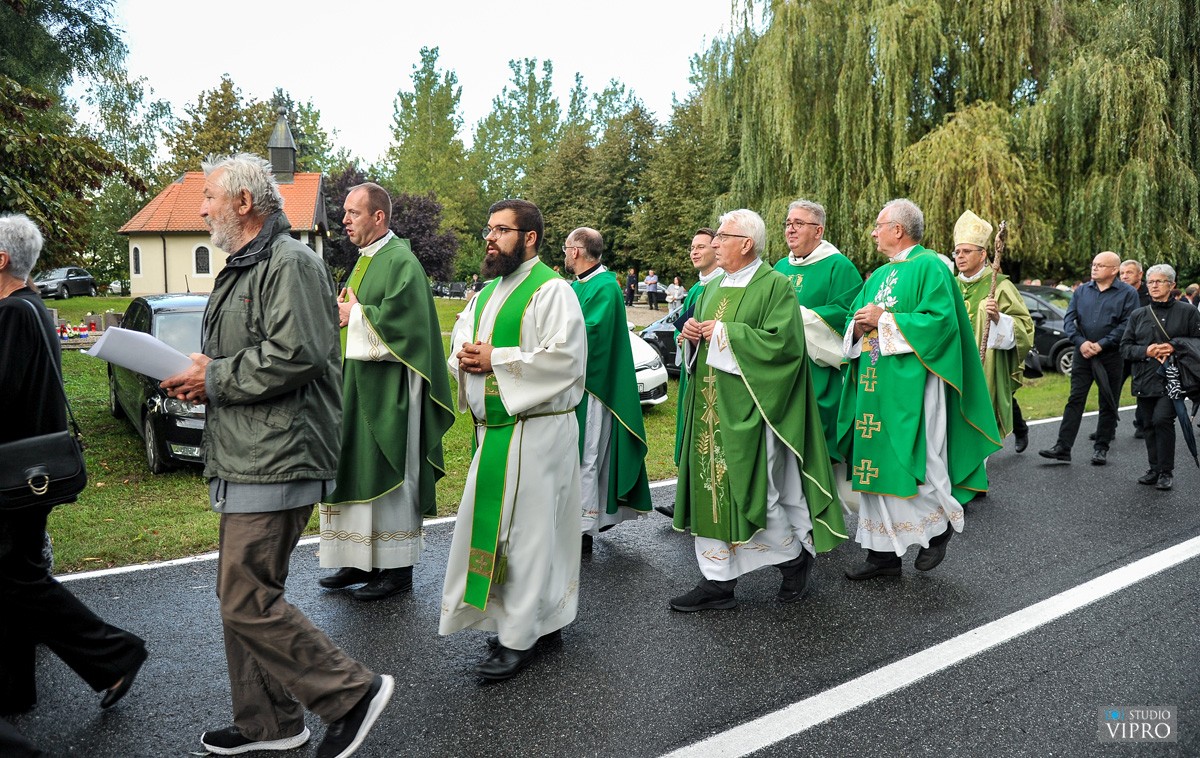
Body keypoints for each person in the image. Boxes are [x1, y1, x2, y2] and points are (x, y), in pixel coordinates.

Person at [160, 155, 392, 758]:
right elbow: (246, 351)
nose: (203, 207)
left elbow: (299, 354)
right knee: (245, 594)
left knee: (243, 596)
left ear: (244, 203)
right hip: (247, 450)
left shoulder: (290, 262)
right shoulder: (243, 265)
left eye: (210, 197)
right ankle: (270, 723)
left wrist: (212, 379)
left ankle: (351, 693)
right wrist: (200, 374)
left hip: (279, 453)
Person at [0, 214, 148, 740]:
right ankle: (14, 687)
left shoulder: (13, 314)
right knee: (14, 576)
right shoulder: (31, 308)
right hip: (30, 468)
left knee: (15, 575)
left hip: (14, 472)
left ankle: (115, 653)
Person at [670, 209, 847, 612]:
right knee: (709, 488)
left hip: (752, 409)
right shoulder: (716, 287)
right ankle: (717, 581)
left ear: (746, 243)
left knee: (755, 494)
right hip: (710, 412)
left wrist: (726, 335)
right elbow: (702, 339)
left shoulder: (775, 285)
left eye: (721, 236)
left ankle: (793, 558)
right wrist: (692, 335)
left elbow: (784, 346)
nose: (714, 242)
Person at [440, 199, 587, 681]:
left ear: (530, 238)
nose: (489, 237)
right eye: (489, 229)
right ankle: (535, 622)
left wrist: (495, 360)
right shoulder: (485, 295)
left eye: (501, 230)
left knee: (530, 537)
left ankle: (521, 637)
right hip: (497, 435)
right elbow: (465, 346)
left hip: (539, 432)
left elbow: (565, 359)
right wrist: (464, 362)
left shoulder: (553, 291)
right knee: (504, 533)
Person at [837, 199, 1000, 578]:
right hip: (874, 384)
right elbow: (854, 319)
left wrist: (885, 319)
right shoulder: (876, 276)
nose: (874, 232)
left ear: (899, 229)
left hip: (915, 385)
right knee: (875, 465)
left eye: (879, 225)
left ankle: (937, 528)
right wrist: (858, 326)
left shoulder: (931, 266)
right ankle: (882, 556)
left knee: (918, 461)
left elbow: (940, 322)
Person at [317, 183, 455, 601]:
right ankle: (360, 560)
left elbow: (406, 327)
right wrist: (349, 313)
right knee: (356, 468)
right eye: (344, 213)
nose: (344, 221)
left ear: (379, 217)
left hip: (390, 392)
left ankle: (396, 570)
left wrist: (355, 315)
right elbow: (355, 310)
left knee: (388, 470)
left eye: (353, 213)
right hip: (359, 387)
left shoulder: (402, 262)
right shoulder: (365, 261)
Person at [563, 228, 652, 552]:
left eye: (566, 248)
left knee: (587, 455)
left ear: (577, 251)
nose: (564, 253)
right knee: (571, 455)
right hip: (572, 386)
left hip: (595, 388)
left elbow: (593, 333)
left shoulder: (605, 286)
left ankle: (582, 531)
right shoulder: (577, 286)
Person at [771, 198, 864, 458]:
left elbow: (847, 314)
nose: (790, 229)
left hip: (820, 372)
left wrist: (798, 317)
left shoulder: (839, 266)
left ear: (818, 231)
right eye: (788, 223)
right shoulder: (779, 267)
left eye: (799, 223)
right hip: (782, 367)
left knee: (817, 446)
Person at [1038, 251, 1139, 465]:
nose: (1094, 268)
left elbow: (1127, 324)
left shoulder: (1128, 293)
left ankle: (1101, 447)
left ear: (1114, 270)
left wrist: (1102, 344)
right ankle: (1063, 447)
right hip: (1082, 354)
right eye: (1093, 264)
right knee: (1075, 399)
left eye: (1100, 265)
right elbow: (1069, 320)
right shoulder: (1082, 291)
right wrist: (1080, 342)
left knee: (1108, 400)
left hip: (1111, 355)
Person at [951, 210, 1035, 452]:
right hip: (955, 362)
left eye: (966, 251)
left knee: (985, 409)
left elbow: (1024, 327)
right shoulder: (951, 285)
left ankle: (977, 475)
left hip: (987, 364)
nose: (960, 256)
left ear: (984, 254)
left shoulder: (1000, 285)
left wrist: (998, 318)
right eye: (957, 252)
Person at [656, 228, 722, 520]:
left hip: (713, 371)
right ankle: (686, 498)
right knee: (688, 431)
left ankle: (704, 499)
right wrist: (685, 335)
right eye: (692, 247)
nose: (694, 252)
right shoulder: (696, 289)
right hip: (691, 369)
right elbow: (684, 325)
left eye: (701, 247)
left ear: (717, 249)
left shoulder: (723, 284)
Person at [1120, 264, 1200, 491]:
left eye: (1159, 281)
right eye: (1150, 282)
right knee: (1148, 424)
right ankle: (1153, 468)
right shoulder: (1138, 314)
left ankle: (1166, 471)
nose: (1154, 286)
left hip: (1174, 378)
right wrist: (1147, 351)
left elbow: (1198, 344)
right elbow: (1125, 348)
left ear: (1172, 285)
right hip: (1144, 376)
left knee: (1162, 420)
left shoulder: (1188, 312)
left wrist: (1174, 347)